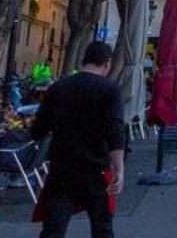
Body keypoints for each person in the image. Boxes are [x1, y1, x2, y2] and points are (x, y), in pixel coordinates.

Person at [29, 40, 127, 238]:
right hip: (96, 166)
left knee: (54, 226)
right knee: (101, 225)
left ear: (84, 60)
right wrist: (119, 167)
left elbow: (39, 129)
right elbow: (114, 130)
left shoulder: (58, 87)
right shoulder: (109, 89)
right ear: (107, 63)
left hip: (62, 166)